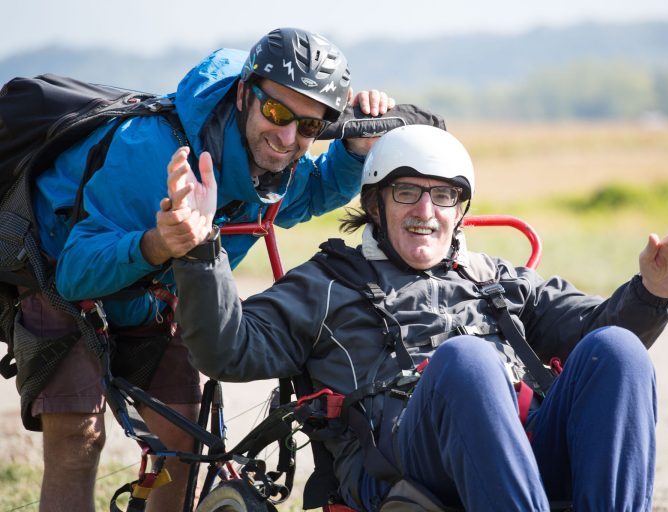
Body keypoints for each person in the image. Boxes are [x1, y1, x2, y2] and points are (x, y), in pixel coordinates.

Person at [160, 124, 668, 511]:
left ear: (460, 210)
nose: (425, 212)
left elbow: (593, 332)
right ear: (376, 204)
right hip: (400, 465)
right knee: (468, 360)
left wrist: (649, 292)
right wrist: (201, 250)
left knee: (618, 350)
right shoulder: (323, 284)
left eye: (443, 196)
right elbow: (227, 349)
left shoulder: (497, 278)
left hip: (518, 455)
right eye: (407, 192)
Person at [20, 27, 395, 511]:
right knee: (78, 438)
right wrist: (156, 244)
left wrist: (351, 152)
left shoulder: (271, 164)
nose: (287, 139)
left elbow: (311, 193)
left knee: (184, 444)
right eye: (278, 113)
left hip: (156, 296)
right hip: (60, 278)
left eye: (309, 128)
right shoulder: (153, 151)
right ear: (244, 94)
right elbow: (73, 272)